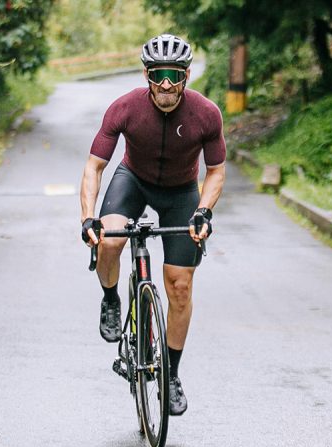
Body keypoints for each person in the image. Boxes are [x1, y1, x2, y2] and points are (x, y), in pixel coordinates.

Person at [80, 33, 226, 417]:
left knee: (180, 288)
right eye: (158, 74)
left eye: (174, 75)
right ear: (147, 74)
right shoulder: (124, 108)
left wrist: (204, 211)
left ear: (186, 76)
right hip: (133, 180)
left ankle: (172, 375)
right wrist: (87, 217)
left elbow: (216, 171)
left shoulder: (206, 114)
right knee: (110, 242)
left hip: (180, 192)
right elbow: (95, 166)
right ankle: (111, 300)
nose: (165, 84)